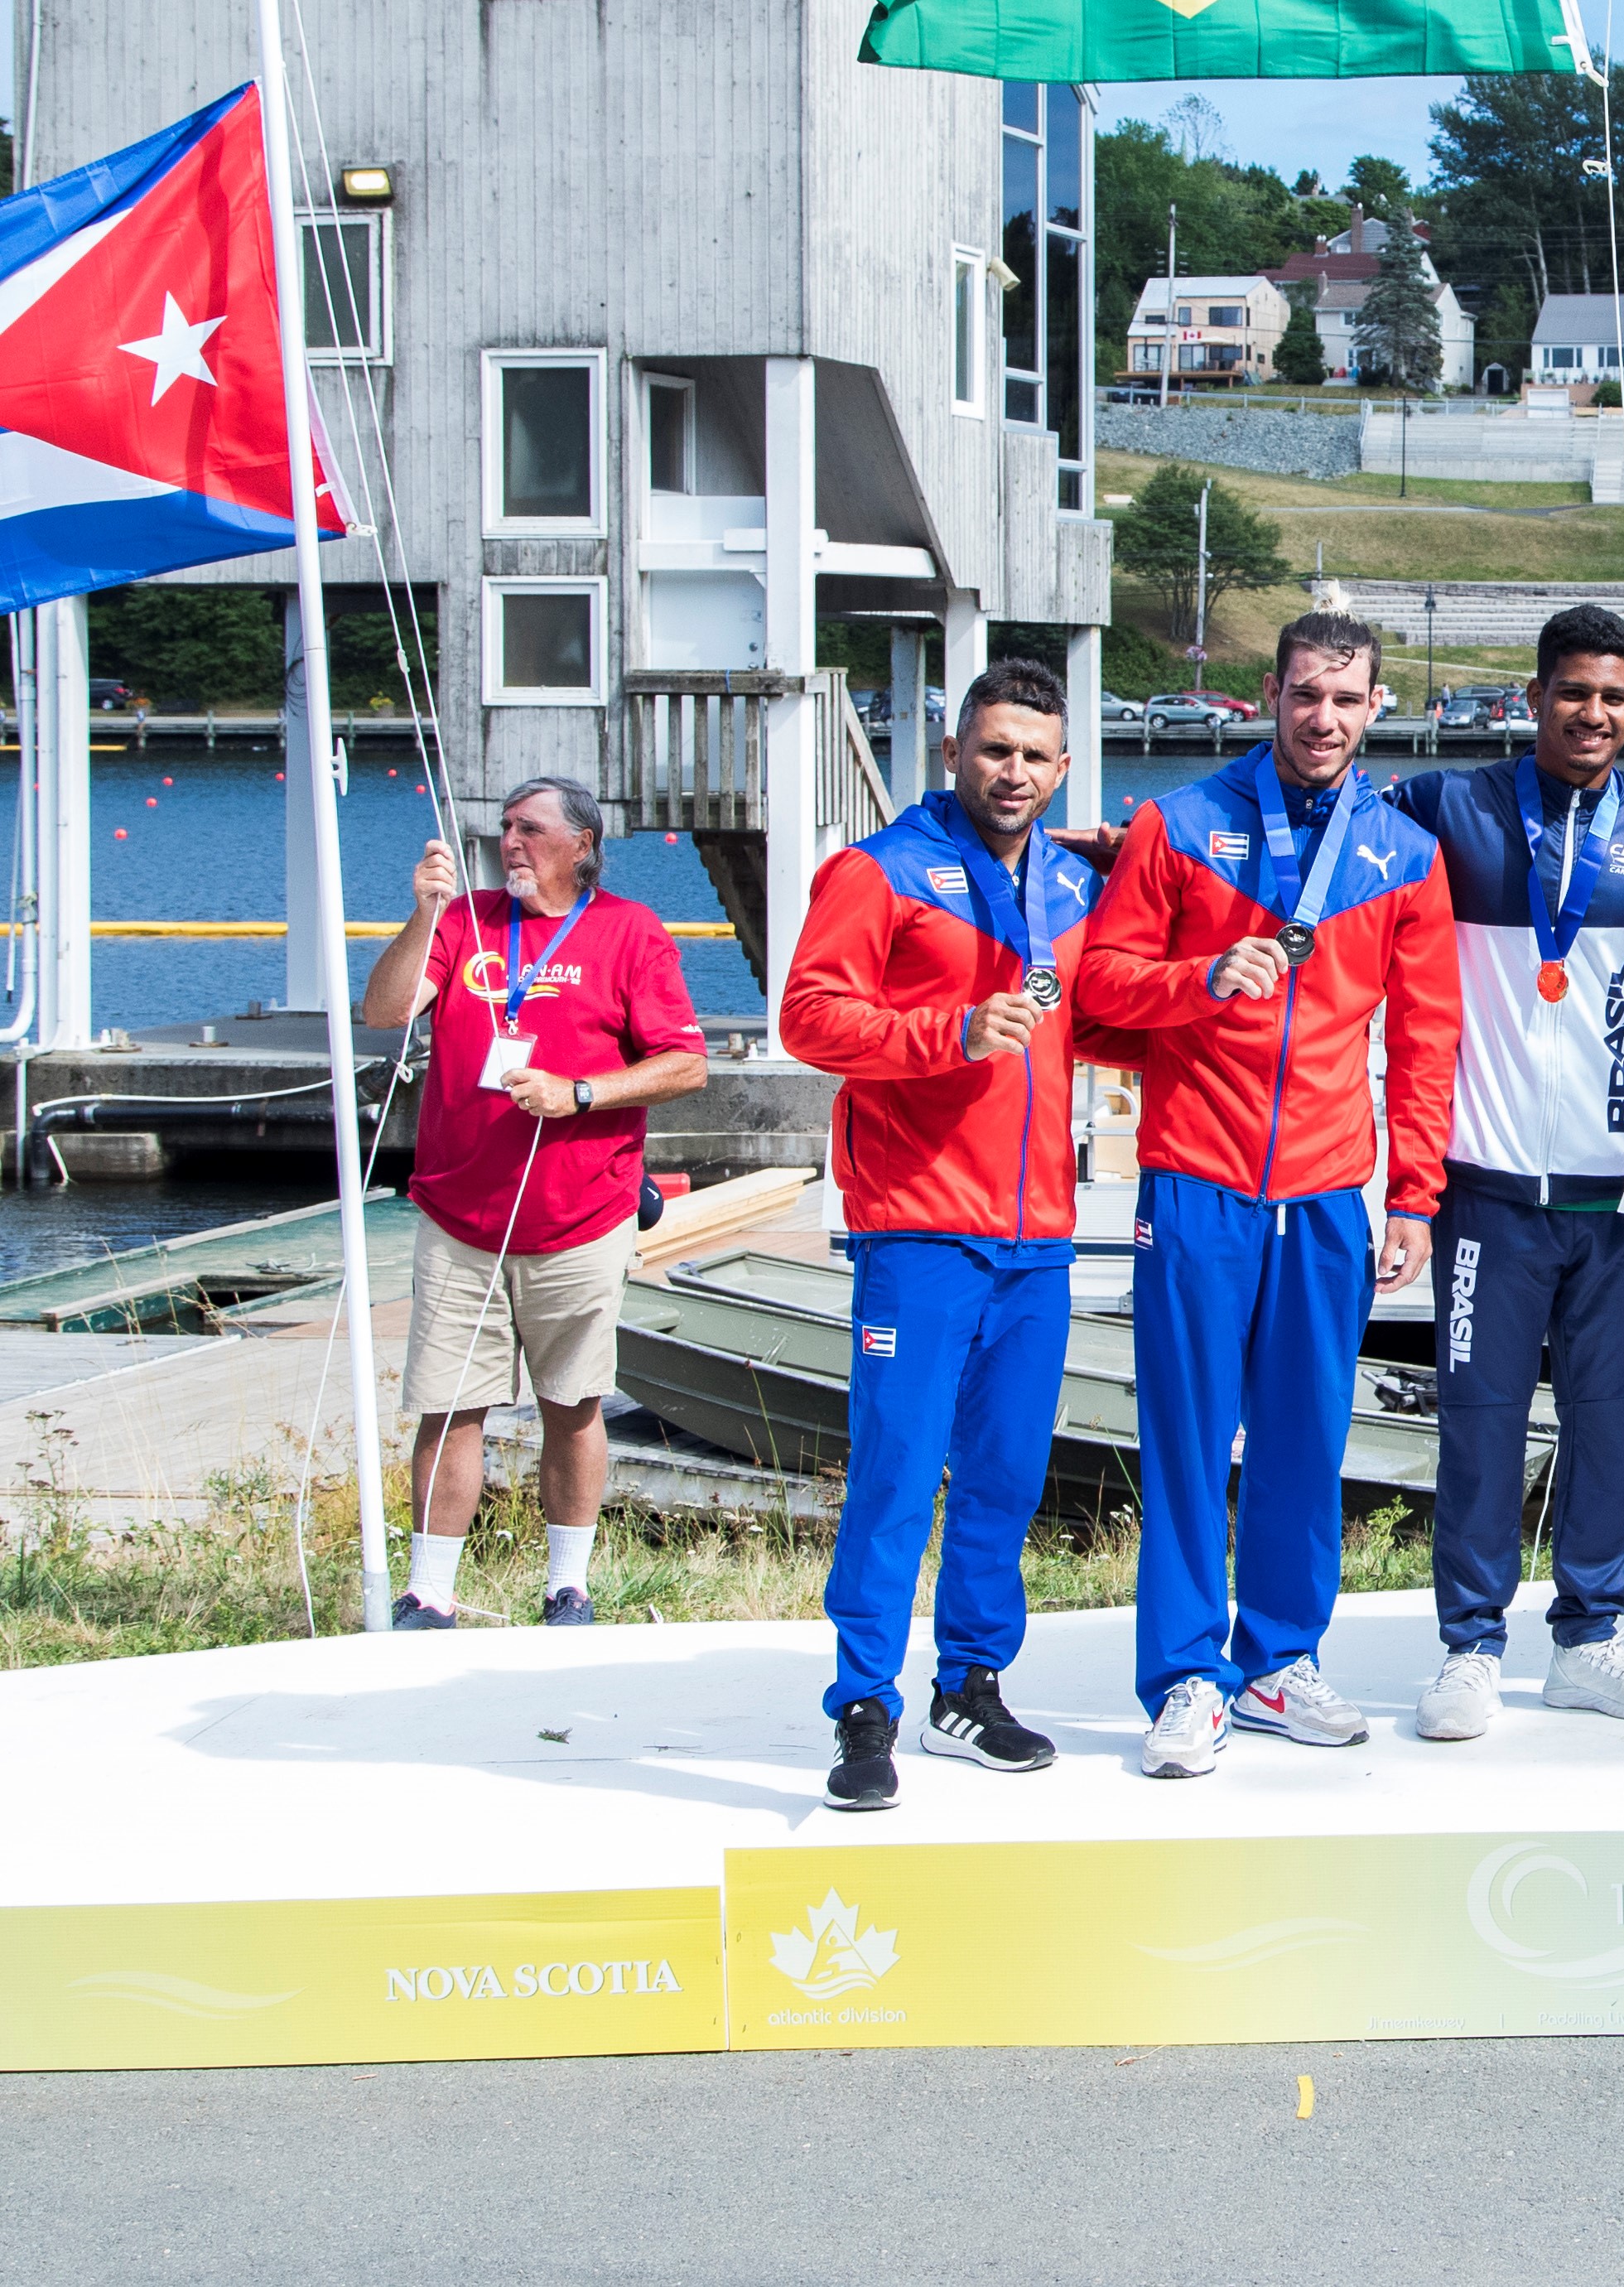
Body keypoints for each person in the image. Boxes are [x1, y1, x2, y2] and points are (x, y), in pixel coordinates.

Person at [1076, 610, 1457, 1778]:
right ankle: (1188, 1677)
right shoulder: (1178, 825)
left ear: (1375, 705)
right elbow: (1099, 985)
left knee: (1305, 1438)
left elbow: (1426, 1039)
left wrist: (1414, 1194)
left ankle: (1280, 1661)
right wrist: (1199, 978)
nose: (1323, 719)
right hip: (1196, 1176)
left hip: (1328, 1189)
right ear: (1268, 693)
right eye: (1304, 695)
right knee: (1188, 1439)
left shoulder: (1403, 855)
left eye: (1345, 699)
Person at [1382, 604, 1624, 1739]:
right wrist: (1140, 845)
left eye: (1615, 696)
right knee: (1480, 1424)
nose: (1593, 713)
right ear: (1531, 698)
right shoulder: (1451, 809)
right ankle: (1469, 1648)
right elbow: (1328, 825)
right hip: (1485, 1187)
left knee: (1608, 1422)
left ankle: (1587, 1640)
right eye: (1573, 691)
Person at [783, 660, 1120, 1811]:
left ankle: (969, 1687)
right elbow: (810, 1016)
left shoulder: (1070, 886)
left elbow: (1096, 1020)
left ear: (1062, 768)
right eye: (993, 749)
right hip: (921, 1224)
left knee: (1003, 1477)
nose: (1012, 771)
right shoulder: (877, 870)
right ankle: (863, 1705)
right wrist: (951, 1032)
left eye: (1034, 755)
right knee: (894, 1473)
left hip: (1037, 1233)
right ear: (952, 752)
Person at [359, 779, 707, 1633]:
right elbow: (386, 1012)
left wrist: (579, 1092)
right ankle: (428, 1595)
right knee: (448, 1406)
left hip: (580, 1217)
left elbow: (685, 1065)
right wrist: (421, 914)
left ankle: (568, 1589)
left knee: (572, 1404)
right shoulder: (464, 921)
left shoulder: (629, 931)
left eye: (531, 830)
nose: (510, 842)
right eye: (506, 828)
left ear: (582, 844)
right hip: (459, 1217)